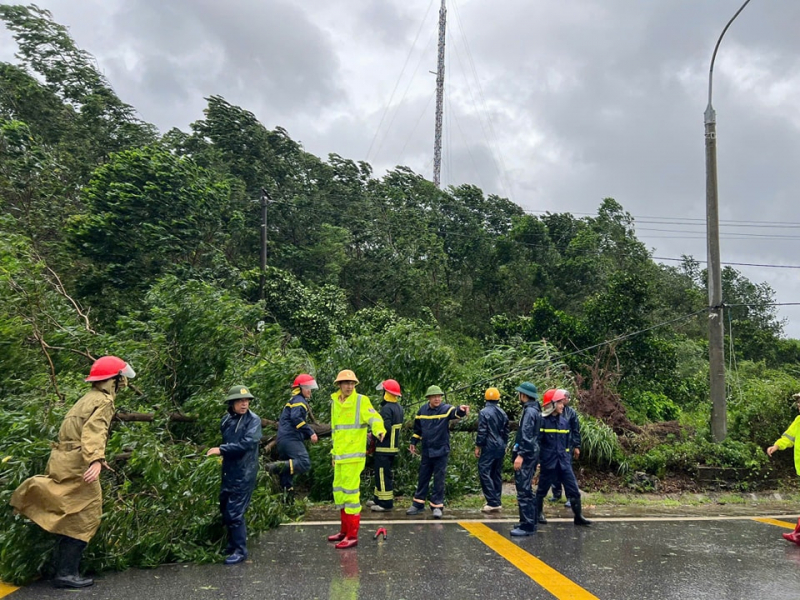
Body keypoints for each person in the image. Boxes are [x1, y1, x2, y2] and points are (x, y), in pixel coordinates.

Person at [10, 356, 136, 589]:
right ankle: (66, 574)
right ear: (113, 380)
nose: (123, 383)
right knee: (85, 516)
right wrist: (96, 460)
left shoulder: (86, 399)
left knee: (69, 513)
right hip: (80, 463)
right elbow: (94, 431)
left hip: (63, 460)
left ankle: (61, 569)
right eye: (120, 379)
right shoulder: (104, 401)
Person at [327, 370, 386, 549]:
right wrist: (333, 454)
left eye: (352, 383)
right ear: (339, 385)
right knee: (340, 493)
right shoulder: (335, 402)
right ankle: (344, 531)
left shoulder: (361, 400)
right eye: (346, 383)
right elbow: (335, 432)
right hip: (339, 457)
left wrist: (379, 429)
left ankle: (352, 535)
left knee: (352, 496)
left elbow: (373, 417)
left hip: (353, 458)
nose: (349, 386)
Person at [206, 385, 263, 565]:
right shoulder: (226, 420)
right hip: (229, 471)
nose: (244, 404)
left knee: (235, 511)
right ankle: (231, 545)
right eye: (240, 401)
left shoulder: (253, 421)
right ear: (232, 403)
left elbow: (247, 444)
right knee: (224, 506)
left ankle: (240, 550)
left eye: (246, 401)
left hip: (245, 472)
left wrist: (220, 450)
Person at [406, 385, 469, 519]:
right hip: (427, 450)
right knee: (423, 477)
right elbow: (417, 431)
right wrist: (413, 442)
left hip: (441, 450)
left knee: (439, 479)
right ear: (428, 398)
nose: (437, 399)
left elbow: (456, 412)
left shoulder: (446, 409)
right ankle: (418, 504)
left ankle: (437, 505)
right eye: (434, 396)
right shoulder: (422, 411)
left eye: (439, 396)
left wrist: (462, 410)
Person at [535, 389, 591, 526]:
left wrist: (567, 457)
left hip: (563, 462)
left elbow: (567, 443)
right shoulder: (542, 421)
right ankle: (538, 514)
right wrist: (537, 461)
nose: (562, 406)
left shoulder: (564, 423)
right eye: (560, 403)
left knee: (573, 490)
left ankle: (578, 516)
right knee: (542, 490)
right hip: (548, 462)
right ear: (552, 404)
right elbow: (537, 443)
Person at [266, 374, 319, 502]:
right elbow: (296, 419)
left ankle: (287, 500)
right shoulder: (299, 402)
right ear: (300, 388)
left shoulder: (293, 401)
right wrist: (310, 432)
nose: (309, 390)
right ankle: (273, 467)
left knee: (287, 472)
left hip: (283, 440)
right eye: (307, 387)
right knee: (303, 462)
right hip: (290, 439)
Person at [766, 392, 800, 545]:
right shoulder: (799, 421)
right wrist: (777, 445)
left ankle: (798, 534)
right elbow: (789, 437)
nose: (798, 405)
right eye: (798, 402)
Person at [510, 381, 543, 536]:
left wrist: (520, 455)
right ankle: (530, 520)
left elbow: (526, 435)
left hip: (526, 454)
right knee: (527, 489)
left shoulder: (529, 412)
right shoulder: (535, 410)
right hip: (533, 453)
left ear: (523, 395)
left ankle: (527, 525)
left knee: (523, 490)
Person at [370, 379, 405, 512]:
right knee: (382, 473)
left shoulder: (386, 408)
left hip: (384, 448)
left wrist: (373, 434)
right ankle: (378, 498)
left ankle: (385, 503)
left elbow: (386, 428)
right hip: (392, 448)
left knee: (382, 474)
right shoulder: (398, 408)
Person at [475, 387, 509, 513]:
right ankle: (497, 500)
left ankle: (492, 501)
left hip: (489, 445)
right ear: (498, 398)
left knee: (484, 471)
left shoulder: (484, 412)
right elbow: (506, 431)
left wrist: (478, 445)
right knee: (496, 473)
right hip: (500, 445)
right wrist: (504, 444)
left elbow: (482, 431)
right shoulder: (503, 413)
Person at [548, 389, 582, 508]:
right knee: (554, 471)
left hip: (567, 446)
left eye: (567, 398)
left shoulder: (571, 413)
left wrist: (577, 446)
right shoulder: (553, 411)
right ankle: (556, 494)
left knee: (566, 473)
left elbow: (575, 430)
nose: (566, 400)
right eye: (565, 397)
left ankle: (570, 497)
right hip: (554, 446)